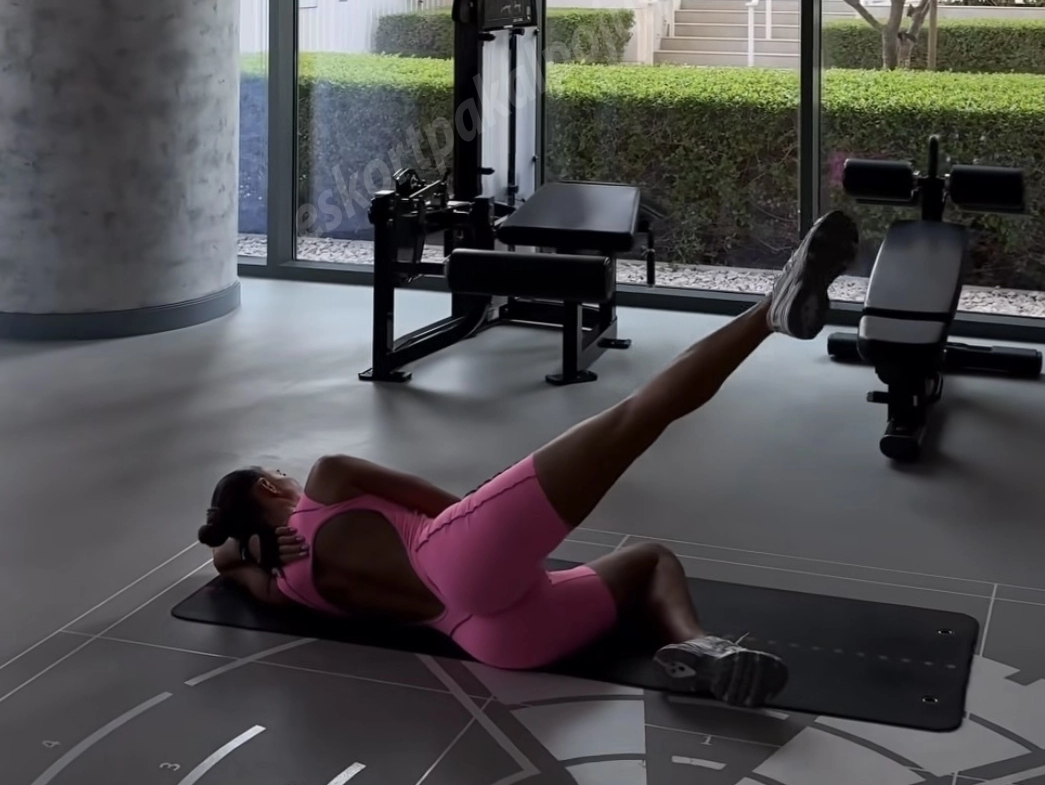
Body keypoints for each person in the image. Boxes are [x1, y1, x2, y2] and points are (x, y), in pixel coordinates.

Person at [200, 211, 857, 708]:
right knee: (635, 416)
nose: (288, 474)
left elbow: (224, 560)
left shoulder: (285, 587)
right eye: (276, 473)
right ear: (270, 486)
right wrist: (503, 513)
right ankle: (767, 311)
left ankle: (696, 644)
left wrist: (251, 548)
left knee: (649, 559)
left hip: (492, 640)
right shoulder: (329, 477)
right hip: (459, 561)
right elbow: (447, 510)